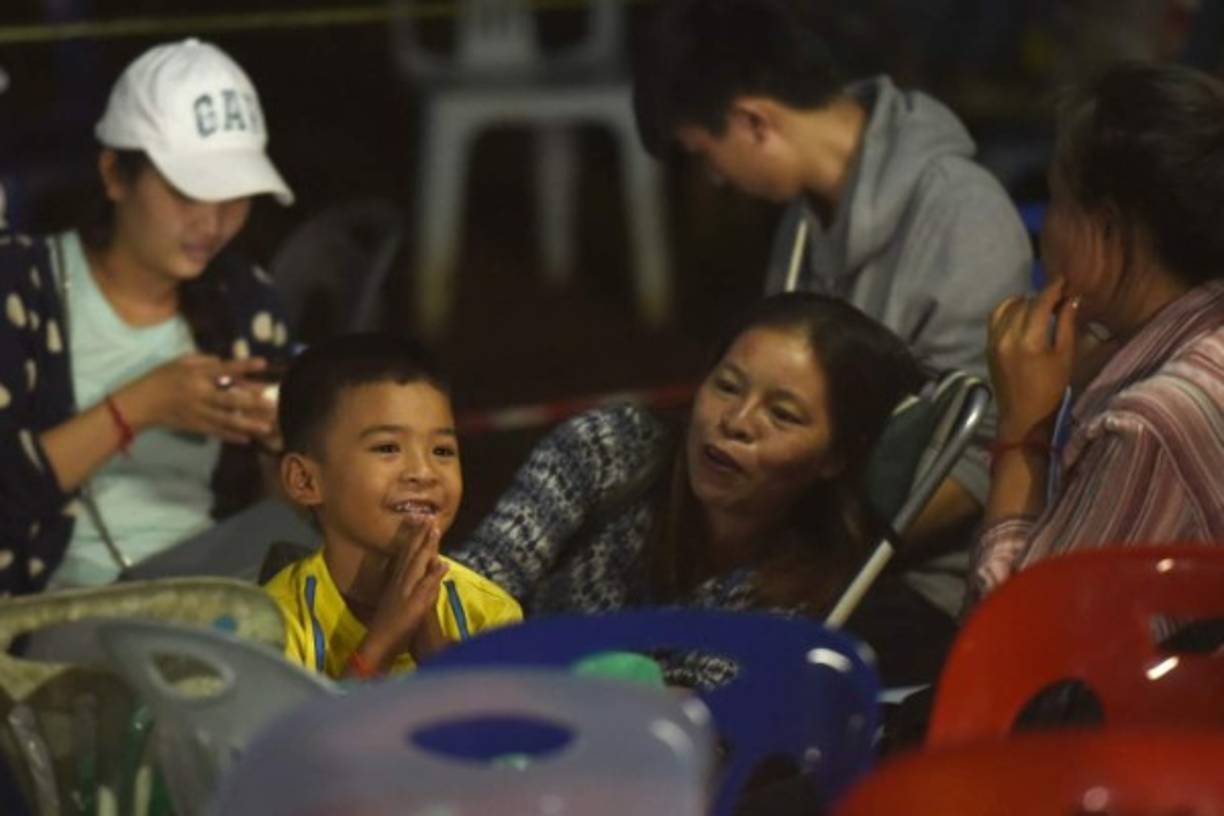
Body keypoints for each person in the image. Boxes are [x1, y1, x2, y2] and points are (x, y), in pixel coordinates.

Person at [631, 0, 1033, 620]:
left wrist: (818, 554)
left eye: (705, 154)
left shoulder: (962, 217)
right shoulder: (804, 219)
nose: (715, 178)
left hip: (918, 580)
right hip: (798, 539)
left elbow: (978, 455)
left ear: (754, 121)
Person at [452, 292, 927, 685]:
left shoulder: (805, 600)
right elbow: (479, 579)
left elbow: (692, 722)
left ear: (835, 457)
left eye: (782, 415)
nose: (736, 421)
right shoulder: (608, 450)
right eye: (727, 386)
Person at [0, 38, 296, 594]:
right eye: (187, 193)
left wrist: (284, 443)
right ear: (115, 174)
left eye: (235, 195)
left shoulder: (245, 301)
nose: (213, 223)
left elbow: (281, 512)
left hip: (213, 585)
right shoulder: (20, 288)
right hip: (57, 605)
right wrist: (138, 407)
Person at [975, 62, 1224, 596]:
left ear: (1107, 229)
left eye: (1056, 200)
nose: (1045, 230)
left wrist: (1024, 430)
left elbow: (1023, 635)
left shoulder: (1149, 421)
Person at [267, 333, 522, 680]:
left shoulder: (489, 615)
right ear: (305, 480)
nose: (424, 472)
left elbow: (496, 718)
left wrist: (433, 646)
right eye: (387, 448)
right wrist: (381, 645)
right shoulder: (274, 625)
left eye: (442, 451)